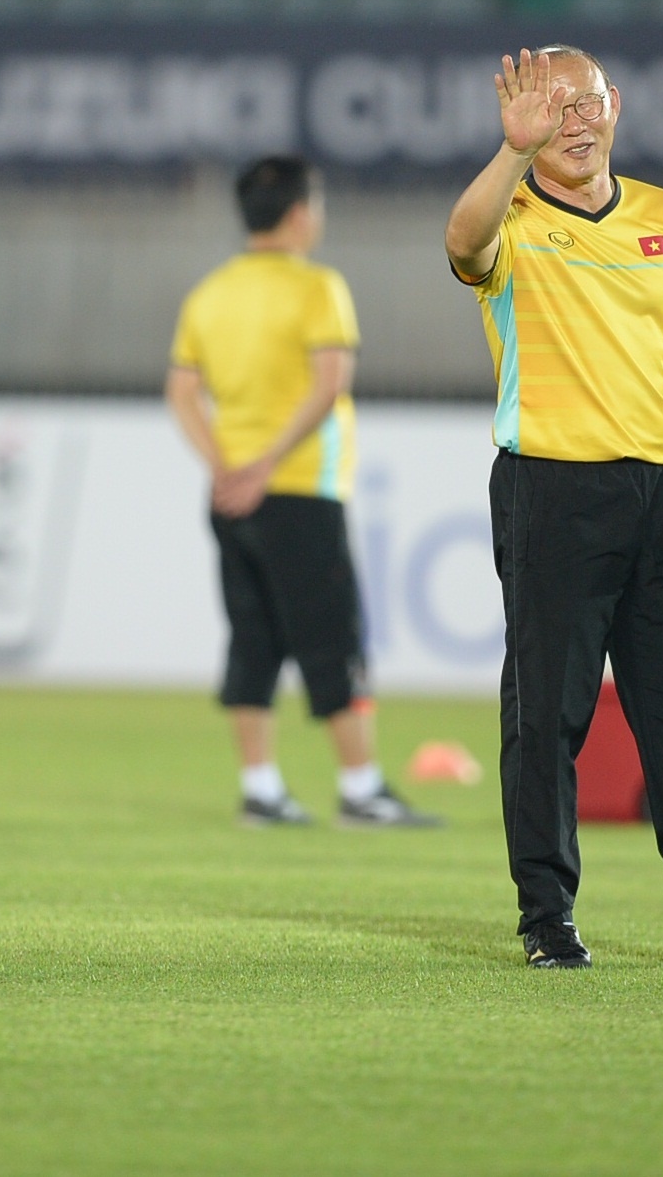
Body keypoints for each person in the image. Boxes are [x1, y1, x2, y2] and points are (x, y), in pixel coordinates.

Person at [444, 45, 663, 968]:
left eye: (586, 101)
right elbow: (459, 244)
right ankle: (547, 920)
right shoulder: (512, 214)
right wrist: (507, 154)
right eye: (550, 106)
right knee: (546, 717)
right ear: (524, 119)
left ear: (616, 106)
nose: (572, 119)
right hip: (550, 490)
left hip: (659, 491)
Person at [167, 155, 440, 829]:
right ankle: (360, 788)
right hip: (300, 490)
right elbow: (329, 384)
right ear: (298, 213)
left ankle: (259, 789)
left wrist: (225, 467)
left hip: (230, 499)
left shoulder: (209, 293)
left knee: (251, 639)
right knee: (331, 638)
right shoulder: (318, 287)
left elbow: (180, 392)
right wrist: (262, 466)